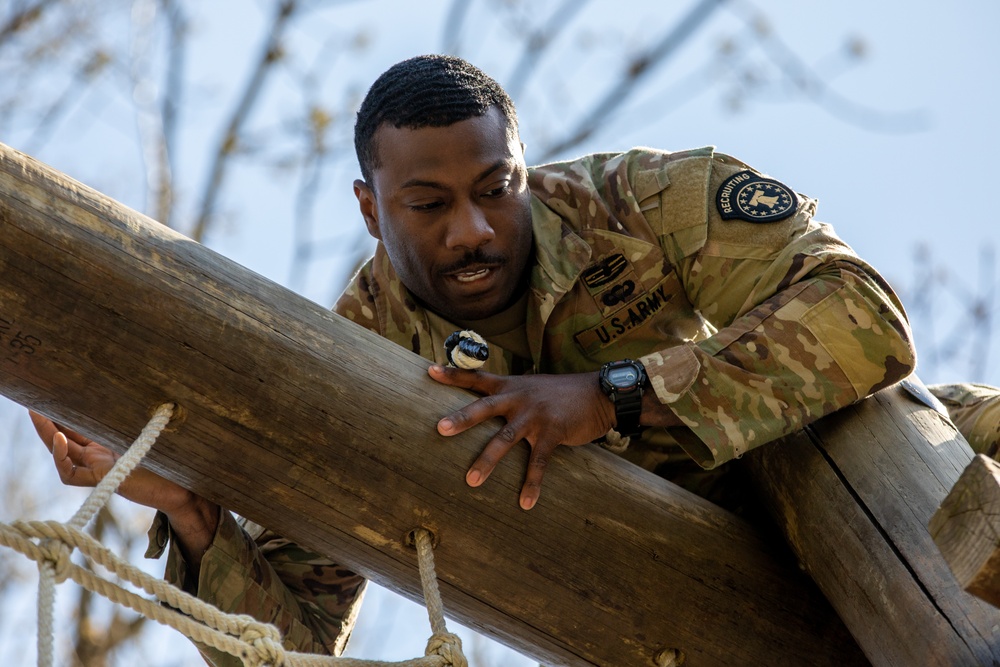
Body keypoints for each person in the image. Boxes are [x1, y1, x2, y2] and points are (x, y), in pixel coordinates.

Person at [29, 54, 1000, 665]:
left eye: (497, 188)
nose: (473, 228)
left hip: (887, 468)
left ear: (525, 169)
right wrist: (195, 513)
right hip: (684, 604)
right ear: (370, 208)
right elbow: (295, 642)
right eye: (429, 204)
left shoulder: (644, 199)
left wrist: (616, 395)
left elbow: (866, 318)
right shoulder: (352, 358)